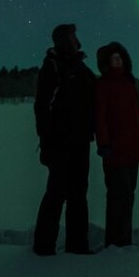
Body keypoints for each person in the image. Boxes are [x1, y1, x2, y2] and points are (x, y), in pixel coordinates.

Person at [33, 23, 97, 256]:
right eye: (72, 36)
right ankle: (43, 246)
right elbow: (42, 107)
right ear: (63, 39)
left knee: (79, 193)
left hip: (80, 141)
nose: (76, 39)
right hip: (60, 143)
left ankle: (77, 245)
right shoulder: (53, 67)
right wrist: (47, 142)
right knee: (56, 193)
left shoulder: (80, 67)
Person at [94, 41, 139, 248]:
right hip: (115, 150)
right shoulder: (103, 85)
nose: (117, 61)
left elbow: (137, 112)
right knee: (118, 195)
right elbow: (100, 116)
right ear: (106, 63)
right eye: (113, 59)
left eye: (119, 57)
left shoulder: (129, 84)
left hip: (133, 148)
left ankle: (124, 238)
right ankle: (115, 240)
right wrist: (103, 143)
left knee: (129, 194)